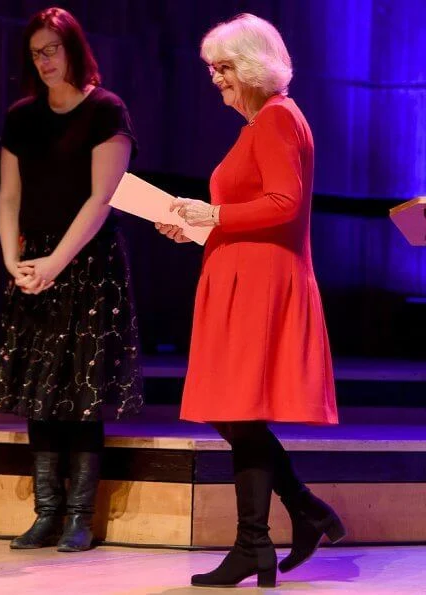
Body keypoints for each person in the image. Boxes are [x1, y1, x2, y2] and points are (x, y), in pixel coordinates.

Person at [156, 13, 345, 588]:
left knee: (238, 410)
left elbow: (284, 203)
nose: (216, 79)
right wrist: (198, 225)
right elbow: (252, 209)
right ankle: (297, 518)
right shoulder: (263, 123)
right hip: (241, 277)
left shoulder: (278, 119)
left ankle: (259, 542)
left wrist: (216, 215)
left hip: (260, 284)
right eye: (212, 69)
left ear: (257, 65)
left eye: (225, 67)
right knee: (231, 409)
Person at [0, 7, 143, 552]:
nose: (44, 61)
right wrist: (15, 260)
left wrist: (56, 262)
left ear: (73, 49)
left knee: (79, 393)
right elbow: (9, 195)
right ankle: (46, 512)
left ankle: (79, 516)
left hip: (86, 266)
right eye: (35, 53)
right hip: (33, 265)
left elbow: (101, 199)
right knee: (39, 394)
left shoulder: (105, 110)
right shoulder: (22, 116)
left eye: (51, 49)